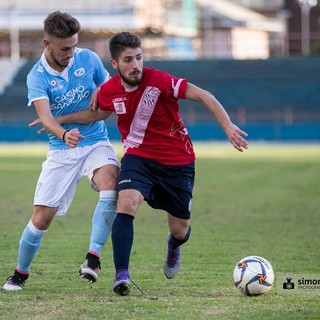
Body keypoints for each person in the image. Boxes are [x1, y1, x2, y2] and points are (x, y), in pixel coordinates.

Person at [30, 32, 248, 296]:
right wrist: (59, 120)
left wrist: (228, 127)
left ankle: (174, 245)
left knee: (180, 229)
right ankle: (122, 274)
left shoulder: (161, 80)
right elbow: (98, 113)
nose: (136, 65)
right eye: (128, 60)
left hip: (177, 161)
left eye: (139, 58)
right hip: (138, 157)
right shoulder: (110, 90)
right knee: (126, 201)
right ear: (115, 64)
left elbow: (204, 95)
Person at [2, 11, 119, 291]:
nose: (71, 52)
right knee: (41, 219)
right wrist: (64, 133)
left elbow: (109, 95)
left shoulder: (88, 59)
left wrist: (103, 92)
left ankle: (93, 258)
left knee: (111, 185)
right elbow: (46, 117)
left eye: (74, 45)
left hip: (95, 143)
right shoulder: (37, 76)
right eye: (65, 48)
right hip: (61, 151)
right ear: (47, 44)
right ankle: (20, 273)